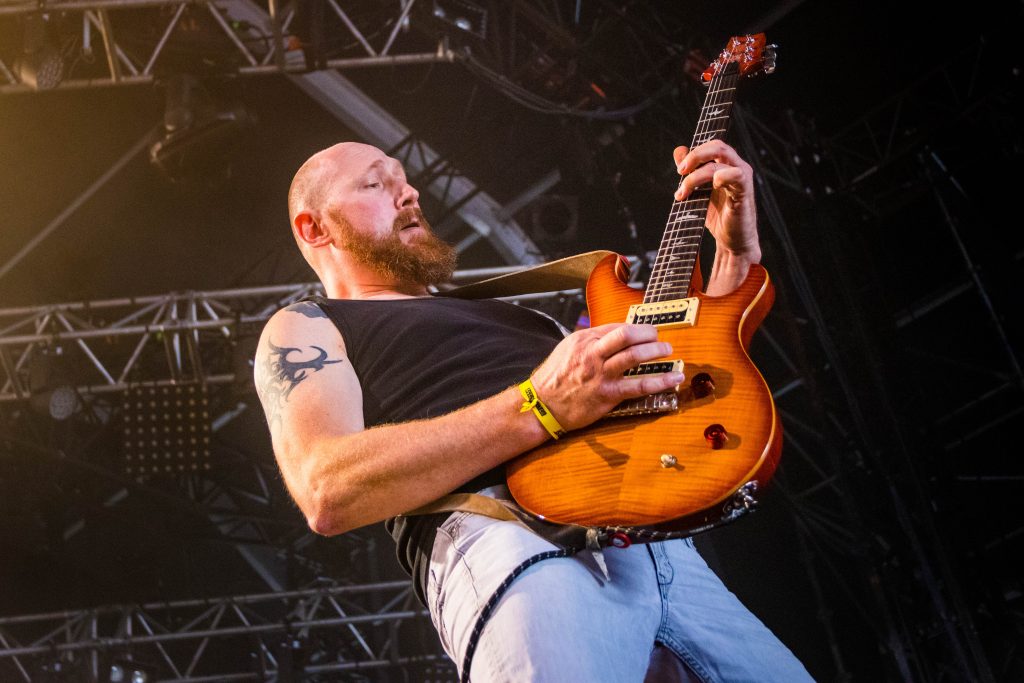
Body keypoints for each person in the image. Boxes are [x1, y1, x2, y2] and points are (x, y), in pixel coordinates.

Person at [254, 139, 813, 682]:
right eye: (376, 184)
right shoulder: (306, 325)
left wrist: (733, 257)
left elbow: (673, 385)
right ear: (315, 228)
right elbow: (326, 489)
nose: (410, 194)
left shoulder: (527, 319)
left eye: (406, 180)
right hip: (507, 539)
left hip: (663, 553)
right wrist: (540, 404)